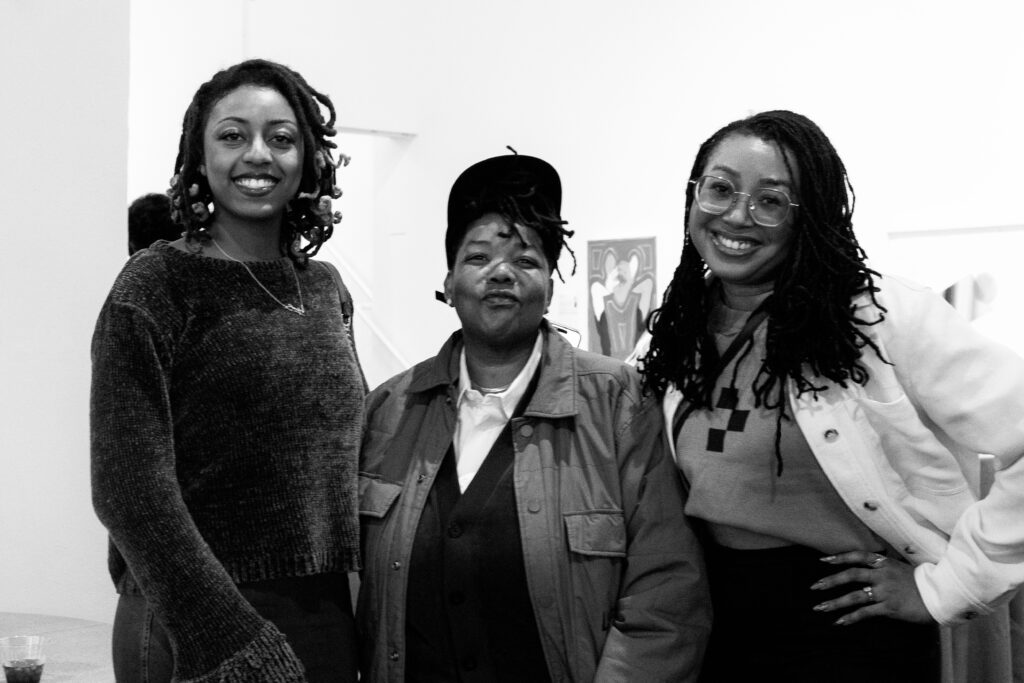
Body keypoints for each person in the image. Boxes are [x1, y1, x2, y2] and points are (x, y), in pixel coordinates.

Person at [636, 109, 1024, 681]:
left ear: (808, 216)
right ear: (694, 196)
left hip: (849, 630)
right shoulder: (672, 333)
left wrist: (947, 587)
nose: (737, 216)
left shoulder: (875, 317)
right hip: (715, 622)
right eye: (720, 189)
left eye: (771, 200)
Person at [357, 151, 711, 682]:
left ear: (550, 286)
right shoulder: (390, 409)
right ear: (449, 283)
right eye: (477, 259)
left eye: (526, 261)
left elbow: (665, 593)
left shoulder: (617, 401)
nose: (501, 273)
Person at [91, 59, 364, 682]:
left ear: (309, 159)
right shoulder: (156, 284)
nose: (258, 155)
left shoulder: (323, 288)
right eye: (233, 135)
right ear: (199, 155)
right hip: (193, 618)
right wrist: (226, 635)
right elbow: (127, 487)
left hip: (321, 612)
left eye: (282, 137)